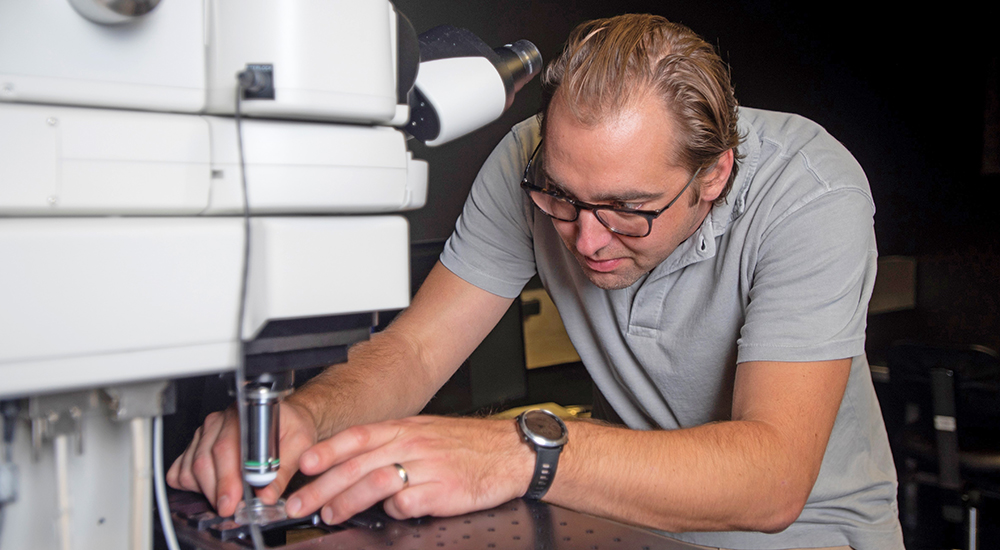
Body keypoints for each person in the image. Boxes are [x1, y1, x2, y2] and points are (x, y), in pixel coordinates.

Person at [169, 14, 904, 549]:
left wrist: (527, 451)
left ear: (714, 174)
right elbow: (418, 352)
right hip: (646, 529)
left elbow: (773, 479)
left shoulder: (811, 191)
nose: (585, 239)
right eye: (562, 198)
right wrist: (307, 417)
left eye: (629, 210)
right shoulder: (529, 163)